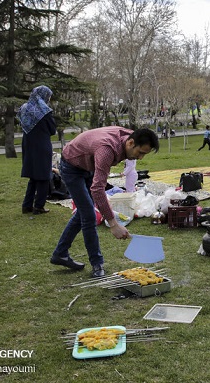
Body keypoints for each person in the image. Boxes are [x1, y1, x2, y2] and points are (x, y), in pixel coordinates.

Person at [50, 127, 159, 278]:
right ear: (131, 143)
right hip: (71, 165)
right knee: (88, 215)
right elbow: (97, 189)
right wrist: (113, 224)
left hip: (88, 164)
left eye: (144, 154)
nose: (140, 158)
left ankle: (60, 254)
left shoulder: (130, 137)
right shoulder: (107, 150)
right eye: (140, 153)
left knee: (84, 211)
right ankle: (97, 263)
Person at [19, 85, 57, 215]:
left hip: (28, 145)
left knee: (33, 177)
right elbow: (52, 130)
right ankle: (39, 206)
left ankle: (27, 205)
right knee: (44, 176)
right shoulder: (44, 110)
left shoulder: (24, 108)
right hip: (41, 145)